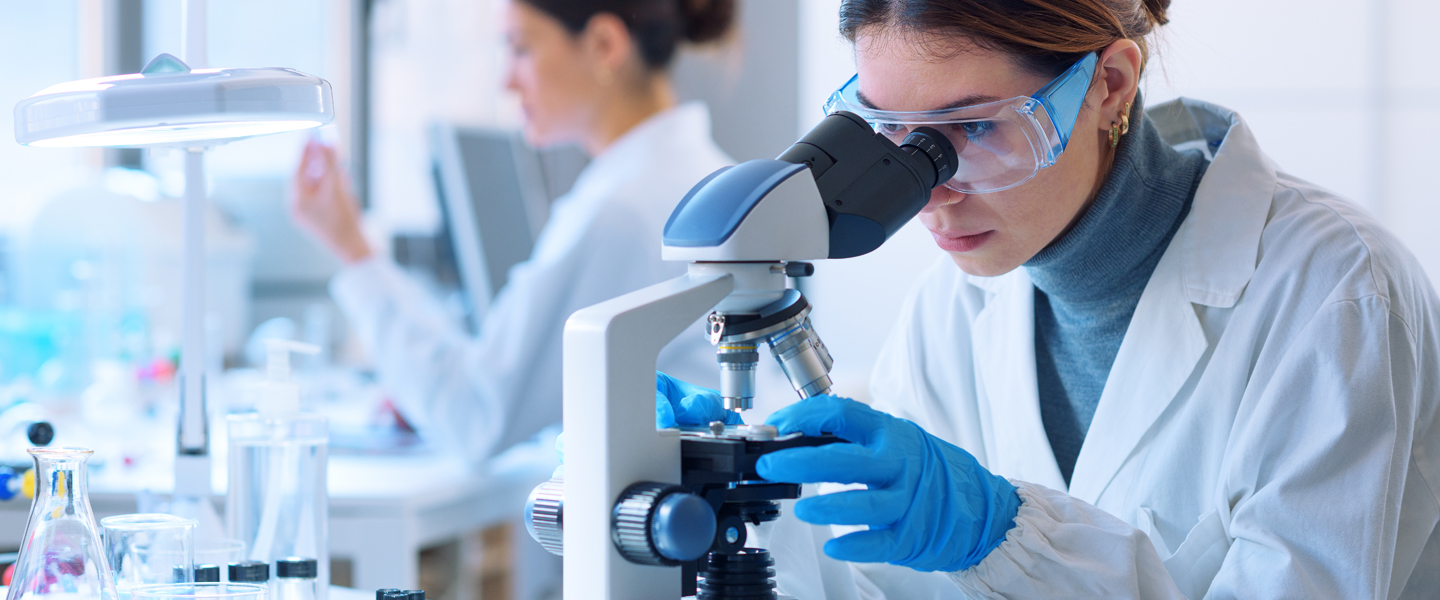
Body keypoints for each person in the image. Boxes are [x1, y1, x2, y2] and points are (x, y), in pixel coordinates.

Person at [654, 0, 1440, 597]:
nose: (928, 195)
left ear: (1108, 84)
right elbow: (886, 584)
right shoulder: (951, 312)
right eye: (888, 132)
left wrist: (1004, 536)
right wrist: (756, 508)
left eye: (974, 129)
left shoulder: (1335, 294)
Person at [292, 0, 737, 465]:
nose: (506, 81)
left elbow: (477, 414)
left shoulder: (623, 209)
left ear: (604, 45)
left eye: (520, 48)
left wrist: (354, 251)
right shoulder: (694, 174)